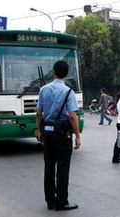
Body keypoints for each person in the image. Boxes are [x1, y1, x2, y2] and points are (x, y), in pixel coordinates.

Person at [36, 60, 81, 211]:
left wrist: (40, 131)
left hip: (47, 132)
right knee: (62, 167)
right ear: (66, 74)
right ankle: (62, 201)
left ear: (53, 72)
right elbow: (73, 116)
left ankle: (50, 201)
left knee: (49, 167)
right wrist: (78, 136)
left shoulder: (43, 89)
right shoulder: (68, 91)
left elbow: (38, 113)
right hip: (62, 134)